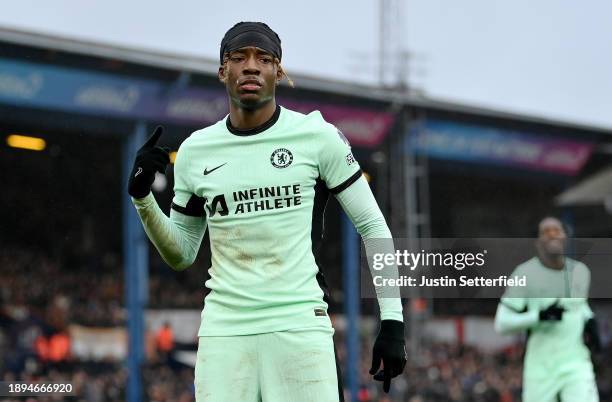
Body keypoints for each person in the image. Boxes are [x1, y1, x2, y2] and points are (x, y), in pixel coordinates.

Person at [127, 21, 406, 402]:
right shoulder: (196, 151)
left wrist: (392, 321)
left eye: (264, 58)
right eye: (238, 58)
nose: (251, 67)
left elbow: (372, 225)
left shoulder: (316, 137)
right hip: (225, 334)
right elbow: (181, 252)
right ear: (223, 71)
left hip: (298, 328)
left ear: (279, 71)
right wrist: (143, 198)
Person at [494, 217, 600, 402]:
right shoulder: (524, 273)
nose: (552, 234)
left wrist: (590, 319)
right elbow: (501, 323)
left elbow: (580, 306)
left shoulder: (580, 272)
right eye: (546, 231)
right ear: (537, 242)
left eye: (556, 230)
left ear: (565, 237)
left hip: (576, 363)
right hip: (541, 368)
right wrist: (539, 316)